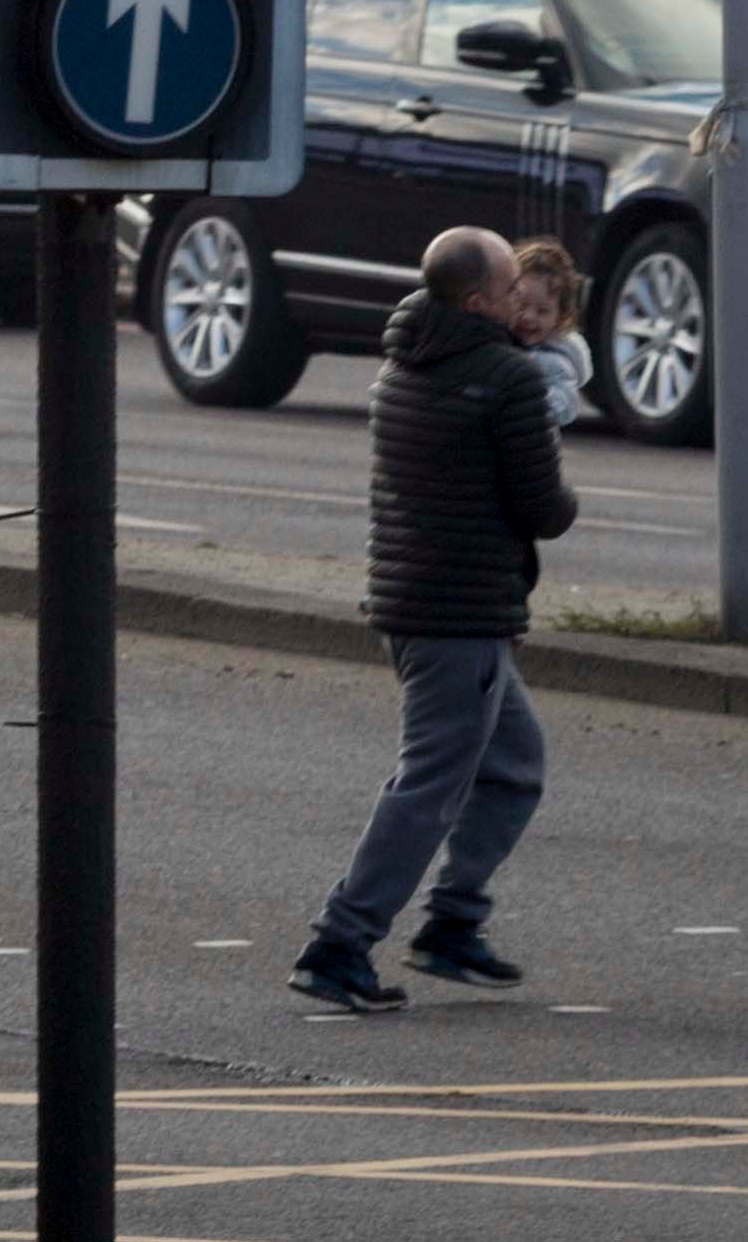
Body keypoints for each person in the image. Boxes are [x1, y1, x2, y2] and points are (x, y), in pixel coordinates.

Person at [291, 225, 580, 1015]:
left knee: (513, 762)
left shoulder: (403, 360)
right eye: (510, 288)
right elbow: (544, 508)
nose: (523, 299)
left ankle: (451, 922)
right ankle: (339, 942)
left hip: (410, 599)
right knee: (428, 784)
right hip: (462, 611)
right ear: (479, 299)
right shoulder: (506, 379)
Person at [506, 237, 590, 428]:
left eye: (542, 310)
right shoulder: (499, 338)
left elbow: (565, 403)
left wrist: (525, 409)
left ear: (560, 318)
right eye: (521, 304)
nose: (528, 317)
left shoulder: (555, 363)